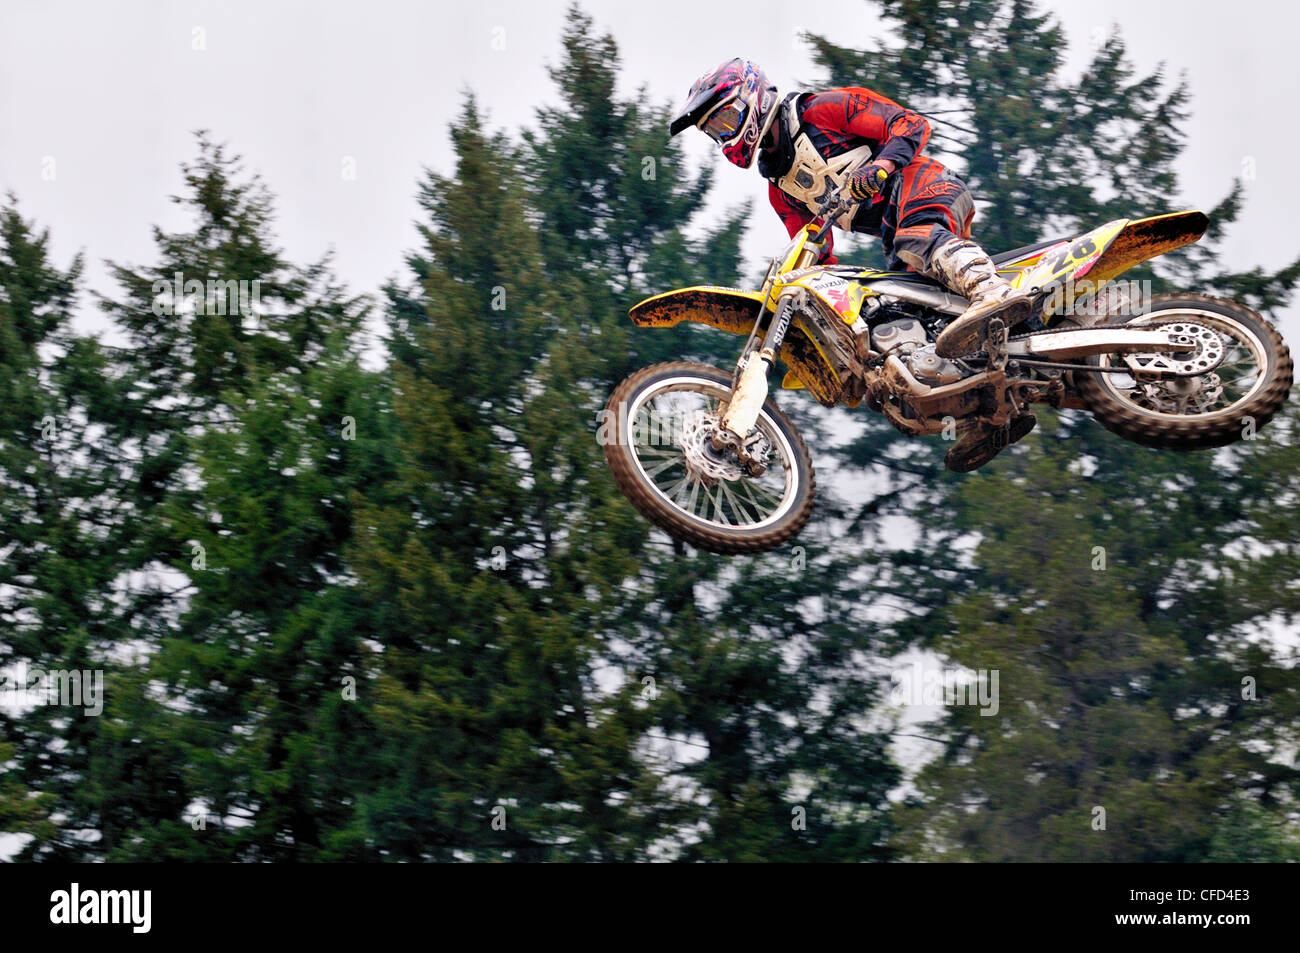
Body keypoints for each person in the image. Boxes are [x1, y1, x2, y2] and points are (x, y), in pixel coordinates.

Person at [669, 58, 1036, 472]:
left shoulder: (820, 110)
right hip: (894, 232)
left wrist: (880, 166)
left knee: (916, 241)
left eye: (726, 119)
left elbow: (911, 124)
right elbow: (816, 255)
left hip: (924, 185)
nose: (725, 133)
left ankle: (992, 290)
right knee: (898, 326)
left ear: (752, 99)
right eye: (714, 130)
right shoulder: (781, 191)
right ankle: (990, 409)